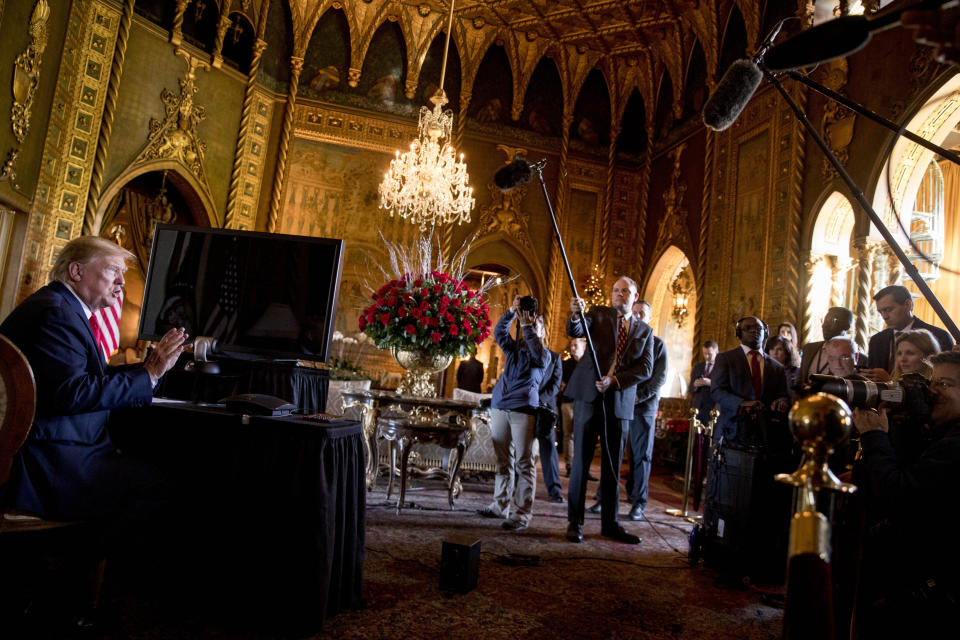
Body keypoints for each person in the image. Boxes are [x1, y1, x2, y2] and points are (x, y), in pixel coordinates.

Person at [0, 236, 187, 521]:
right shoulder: (57, 313)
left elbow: (85, 377)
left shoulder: (62, 307)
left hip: (67, 449)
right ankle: (82, 561)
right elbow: (72, 392)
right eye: (114, 270)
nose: (123, 282)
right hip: (52, 463)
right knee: (167, 487)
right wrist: (148, 374)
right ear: (76, 272)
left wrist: (148, 371)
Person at [850, 350, 960, 637]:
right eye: (932, 382)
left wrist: (874, 437)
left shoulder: (954, 446)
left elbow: (896, 494)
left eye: (945, 384)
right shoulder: (941, 432)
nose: (932, 391)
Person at [564, 276, 653, 544]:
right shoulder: (599, 315)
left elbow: (645, 369)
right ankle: (574, 522)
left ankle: (610, 524)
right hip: (589, 397)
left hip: (619, 401)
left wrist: (615, 381)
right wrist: (576, 315)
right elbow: (577, 329)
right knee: (580, 462)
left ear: (634, 296)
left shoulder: (645, 331)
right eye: (615, 290)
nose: (619, 295)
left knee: (612, 467)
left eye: (625, 291)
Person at [477, 296, 548, 531]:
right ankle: (500, 505)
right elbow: (498, 333)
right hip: (499, 405)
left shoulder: (543, 355)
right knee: (502, 461)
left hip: (523, 410)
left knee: (524, 462)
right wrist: (510, 312)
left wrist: (529, 327)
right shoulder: (514, 349)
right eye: (527, 320)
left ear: (542, 332)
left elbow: (537, 351)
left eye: (536, 322)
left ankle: (521, 514)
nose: (529, 323)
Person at [710, 316, 790, 445]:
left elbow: (782, 395)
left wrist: (781, 401)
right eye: (748, 328)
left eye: (759, 328)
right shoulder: (726, 359)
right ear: (739, 333)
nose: (754, 331)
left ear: (766, 332)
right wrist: (742, 403)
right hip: (732, 429)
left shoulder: (777, 368)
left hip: (766, 433)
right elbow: (717, 391)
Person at [624, 300, 667, 521]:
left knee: (642, 455)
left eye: (642, 313)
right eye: (635, 313)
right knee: (620, 452)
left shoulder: (658, 344)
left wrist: (640, 396)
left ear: (649, 317)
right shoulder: (625, 341)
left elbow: (659, 377)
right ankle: (607, 498)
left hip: (644, 407)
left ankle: (639, 503)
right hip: (622, 404)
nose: (638, 316)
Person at [864, 285, 953, 376]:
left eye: (888, 309)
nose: (884, 316)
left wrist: (890, 382)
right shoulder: (877, 340)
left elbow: (945, 378)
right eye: (880, 312)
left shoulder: (939, 336)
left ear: (908, 305)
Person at [533, 316, 564, 504]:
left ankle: (554, 490)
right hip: (525, 409)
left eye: (537, 327)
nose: (534, 330)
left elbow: (555, 386)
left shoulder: (555, 358)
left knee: (548, 450)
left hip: (545, 410)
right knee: (522, 451)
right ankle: (517, 486)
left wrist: (537, 399)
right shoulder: (523, 355)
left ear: (543, 331)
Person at [798, 307, 854, 385]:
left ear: (846, 326)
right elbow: (799, 382)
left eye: (831, 321)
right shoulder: (809, 349)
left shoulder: (856, 358)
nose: (824, 326)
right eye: (824, 321)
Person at [862, 328, 941, 382]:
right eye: (899, 353)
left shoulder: (937, 389)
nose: (902, 359)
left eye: (910, 353)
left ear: (928, 356)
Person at [560, 337, 586, 477]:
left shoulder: (589, 364)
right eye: (571, 345)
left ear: (584, 347)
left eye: (576, 345)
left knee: (583, 435)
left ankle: (582, 468)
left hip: (584, 403)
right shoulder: (566, 365)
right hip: (568, 403)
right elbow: (562, 384)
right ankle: (570, 466)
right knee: (569, 434)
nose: (573, 348)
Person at [689, 340, 719, 423]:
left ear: (717, 352)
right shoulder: (698, 367)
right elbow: (690, 388)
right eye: (704, 353)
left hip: (713, 407)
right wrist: (695, 385)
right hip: (697, 407)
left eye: (709, 353)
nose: (706, 356)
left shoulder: (721, 368)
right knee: (695, 434)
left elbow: (724, 387)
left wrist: (710, 383)